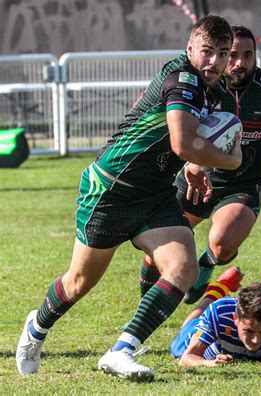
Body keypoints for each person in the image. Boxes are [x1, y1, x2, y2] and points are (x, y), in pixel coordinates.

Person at [16, 15, 243, 381]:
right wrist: (229, 160)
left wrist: (192, 166)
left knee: (183, 266)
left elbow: (190, 141)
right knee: (79, 282)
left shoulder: (216, 92)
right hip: (112, 188)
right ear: (190, 50)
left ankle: (121, 350)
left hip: (154, 192)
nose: (214, 61)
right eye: (207, 52)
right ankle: (37, 328)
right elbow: (183, 141)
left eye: (222, 53)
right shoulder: (182, 79)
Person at [138, 25, 261, 306]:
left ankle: (206, 264)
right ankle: (145, 311)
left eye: (247, 55)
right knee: (157, 249)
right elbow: (176, 131)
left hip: (243, 184)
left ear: (256, 55)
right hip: (194, 177)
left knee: (222, 244)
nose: (239, 62)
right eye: (231, 55)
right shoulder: (198, 87)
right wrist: (190, 164)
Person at [170, 248, 261, 366]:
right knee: (187, 324)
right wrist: (210, 362)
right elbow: (186, 358)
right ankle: (221, 286)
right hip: (194, 335)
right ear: (236, 318)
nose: (256, 340)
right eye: (249, 331)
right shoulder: (219, 315)